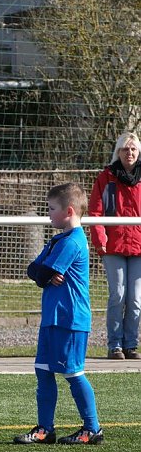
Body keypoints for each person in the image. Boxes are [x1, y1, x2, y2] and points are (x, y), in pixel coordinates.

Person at [15, 182, 103, 446]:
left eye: (52, 208)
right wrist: (42, 273)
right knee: (43, 370)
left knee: (73, 373)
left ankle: (93, 428)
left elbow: (40, 274)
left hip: (71, 318)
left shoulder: (73, 241)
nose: (49, 214)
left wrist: (42, 273)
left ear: (69, 211)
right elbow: (34, 270)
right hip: (53, 317)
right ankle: (45, 428)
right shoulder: (58, 239)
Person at [89, 132, 141, 360]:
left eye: (133, 149)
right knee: (117, 295)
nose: (129, 153)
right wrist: (101, 242)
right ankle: (115, 345)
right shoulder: (106, 178)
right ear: (118, 152)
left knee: (136, 299)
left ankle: (131, 344)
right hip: (114, 246)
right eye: (125, 149)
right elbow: (95, 212)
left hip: (139, 247)